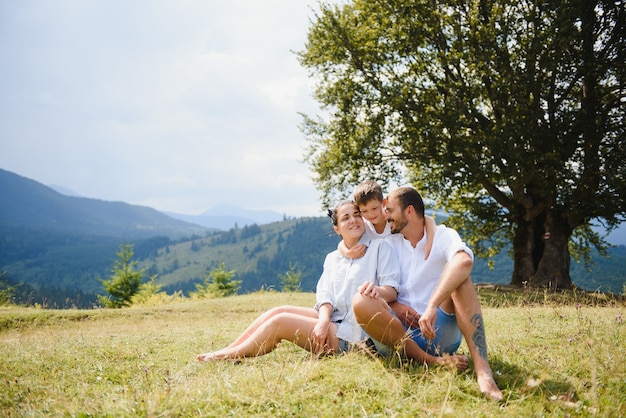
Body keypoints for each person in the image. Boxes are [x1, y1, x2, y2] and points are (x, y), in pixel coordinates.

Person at [197, 201, 406, 361]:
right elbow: (325, 295)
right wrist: (323, 321)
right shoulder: (333, 258)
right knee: (277, 311)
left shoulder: (379, 248)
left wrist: (376, 291)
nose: (353, 220)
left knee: (281, 322)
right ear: (337, 229)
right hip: (334, 318)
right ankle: (229, 348)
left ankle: (229, 355)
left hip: (354, 334)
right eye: (346, 218)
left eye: (357, 215)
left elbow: (392, 289)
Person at [352, 186, 503, 400]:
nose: (385, 216)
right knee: (361, 300)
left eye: (390, 210)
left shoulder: (442, 235)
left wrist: (432, 306)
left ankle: (483, 371)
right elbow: (377, 289)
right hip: (399, 337)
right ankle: (429, 361)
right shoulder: (387, 243)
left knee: (462, 280)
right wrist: (395, 307)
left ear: (409, 211)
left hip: (438, 332)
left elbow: (463, 261)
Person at [339, 180, 437, 259]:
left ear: (384, 203)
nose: (370, 214)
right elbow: (343, 243)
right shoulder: (365, 225)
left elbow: (426, 219)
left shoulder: (392, 220)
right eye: (364, 211)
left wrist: (430, 241)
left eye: (374, 208)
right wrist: (348, 253)